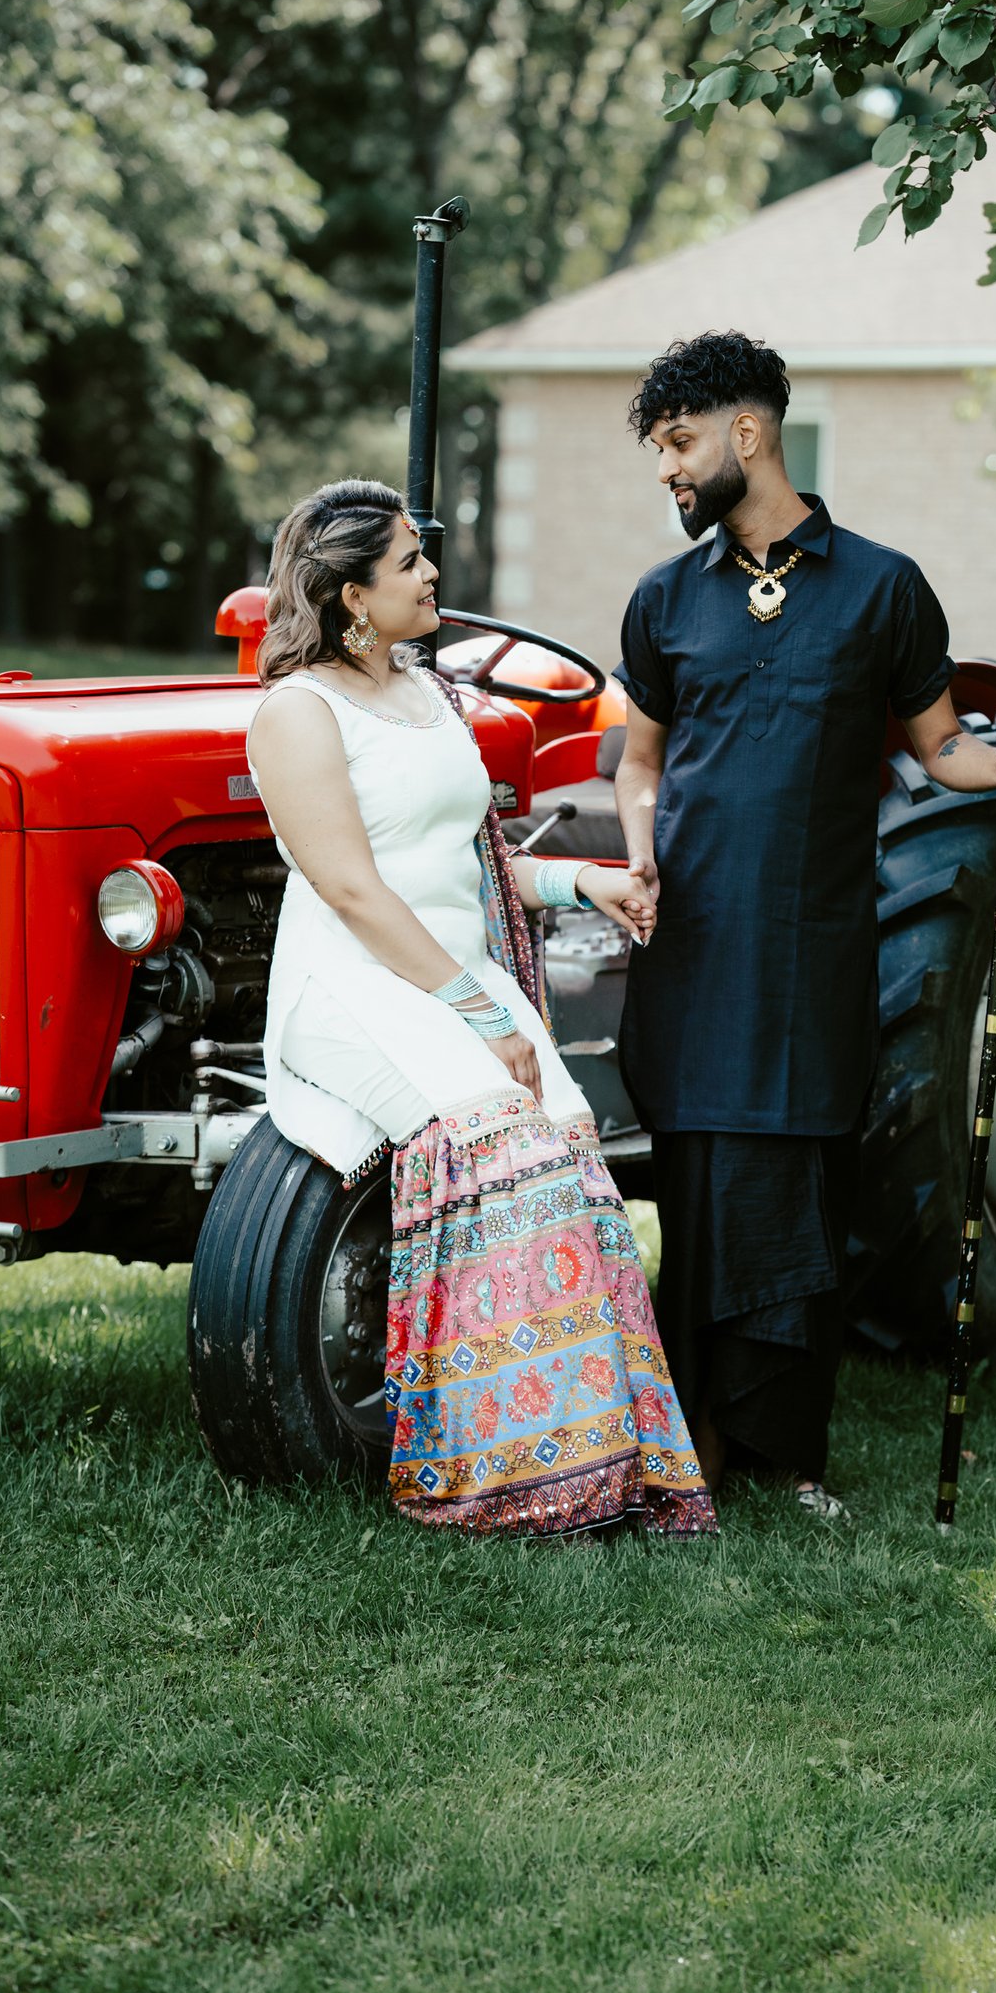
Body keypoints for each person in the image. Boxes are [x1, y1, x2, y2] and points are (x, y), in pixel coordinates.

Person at [613, 334, 996, 1518]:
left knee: (801, 1183)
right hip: (694, 945)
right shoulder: (663, 599)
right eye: (659, 449)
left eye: (678, 443)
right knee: (699, 1189)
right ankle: (688, 1447)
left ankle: (790, 1459)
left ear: (746, 435)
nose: (668, 469)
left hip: (814, 948)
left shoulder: (882, 587)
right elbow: (639, 762)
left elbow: (941, 750)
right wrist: (640, 848)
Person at [246, 477, 716, 1540]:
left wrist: (580, 881)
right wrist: (479, 1013)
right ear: (351, 593)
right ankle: (500, 1476)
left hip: (458, 974)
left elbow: (469, 861)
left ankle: (598, 1468)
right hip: (359, 986)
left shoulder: (425, 691)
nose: (430, 573)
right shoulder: (295, 713)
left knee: (572, 1151)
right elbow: (356, 888)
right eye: (409, 560)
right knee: (497, 1146)